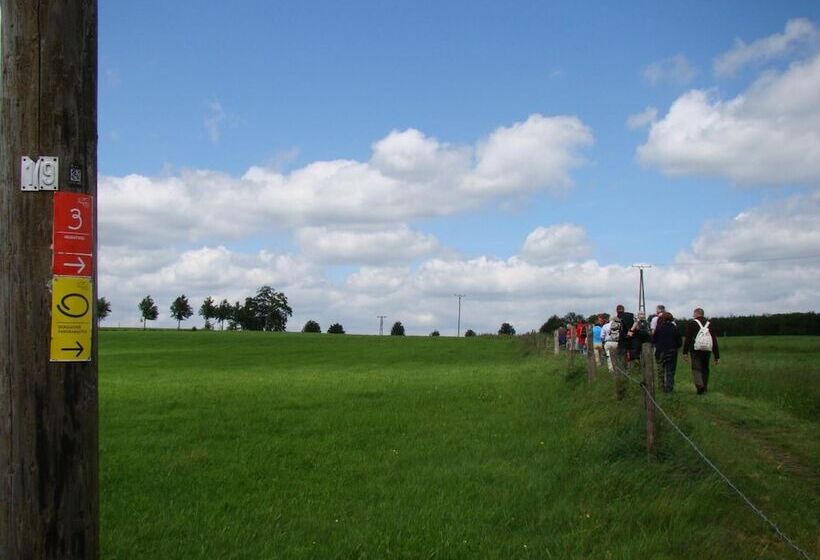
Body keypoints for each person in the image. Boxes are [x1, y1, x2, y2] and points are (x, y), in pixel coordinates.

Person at [682, 308, 720, 395]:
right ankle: (704, 388)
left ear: (696, 314)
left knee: (696, 368)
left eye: (694, 314)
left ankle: (700, 386)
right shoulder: (709, 324)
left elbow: (688, 339)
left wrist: (685, 352)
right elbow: (714, 340)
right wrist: (717, 356)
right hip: (707, 349)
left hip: (695, 350)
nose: (693, 315)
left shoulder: (691, 323)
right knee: (705, 369)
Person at [653, 311, 682, 392]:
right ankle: (669, 388)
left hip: (660, 352)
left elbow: (654, 340)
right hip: (672, 352)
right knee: (670, 371)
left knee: (660, 370)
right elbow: (679, 343)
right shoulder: (675, 328)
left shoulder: (659, 328)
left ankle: (661, 386)